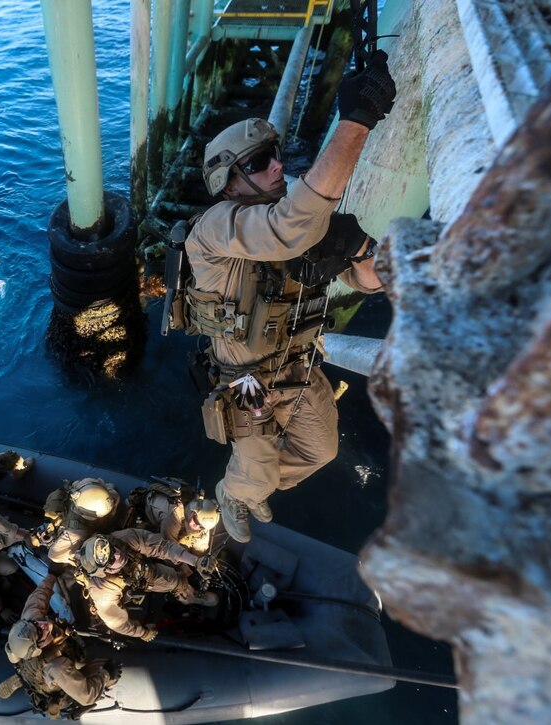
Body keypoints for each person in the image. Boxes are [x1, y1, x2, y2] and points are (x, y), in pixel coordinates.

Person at [181, 51, 396, 542]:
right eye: (259, 162)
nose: (278, 165)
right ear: (230, 182)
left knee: (321, 452)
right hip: (247, 380)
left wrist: (360, 247)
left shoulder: (297, 217)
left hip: (300, 364)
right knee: (254, 465)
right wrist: (356, 121)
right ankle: (235, 491)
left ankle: (250, 488)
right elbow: (286, 230)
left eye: (275, 153)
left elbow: (368, 284)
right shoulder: (217, 228)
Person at [1, 573, 119, 718]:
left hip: (32, 665)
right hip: (54, 679)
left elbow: (40, 595)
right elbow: (86, 696)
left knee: (29, 671)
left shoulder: (30, 621)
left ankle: (22, 678)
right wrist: (106, 673)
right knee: (105, 669)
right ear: (39, 646)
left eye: (36, 625)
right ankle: (27, 682)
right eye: (40, 633)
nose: (42, 625)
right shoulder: (57, 667)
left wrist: (52, 575)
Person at [76, 529, 218, 641]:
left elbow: (164, 547)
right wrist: (142, 633)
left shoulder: (123, 539)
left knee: (152, 566)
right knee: (167, 579)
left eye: (112, 549)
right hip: (129, 580)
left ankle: (183, 579)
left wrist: (195, 561)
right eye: (111, 559)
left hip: (138, 565)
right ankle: (186, 594)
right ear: (104, 571)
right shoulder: (102, 591)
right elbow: (117, 624)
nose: (118, 555)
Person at [40, 477, 120, 566]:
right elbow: (112, 490)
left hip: (75, 527)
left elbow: (54, 555)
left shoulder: (76, 531)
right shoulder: (106, 497)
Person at [132, 480, 220, 557]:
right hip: (149, 515)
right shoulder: (174, 515)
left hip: (178, 521)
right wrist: (186, 568)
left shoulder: (202, 514)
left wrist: (200, 560)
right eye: (196, 522)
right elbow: (169, 550)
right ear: (193, 512)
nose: (197, 527)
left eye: (201, 527)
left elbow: (201, 543)